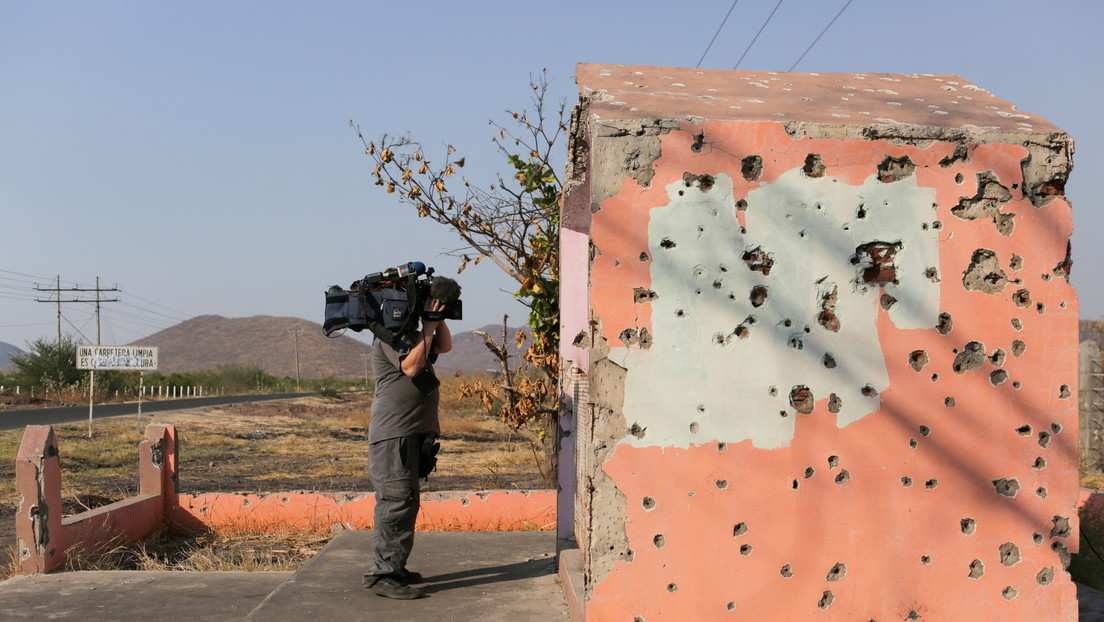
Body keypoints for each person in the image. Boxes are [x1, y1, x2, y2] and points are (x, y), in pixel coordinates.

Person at [362, 299, 452, 600]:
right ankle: (382, 575)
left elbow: (444, 347)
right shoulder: (389, 336)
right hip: (393, 436)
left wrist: (437, 320)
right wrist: (428, 325)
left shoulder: (415, 337)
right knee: (395, 502)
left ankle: (395, 567)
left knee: (406, 502)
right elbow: (411, 366)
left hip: (410, 435)